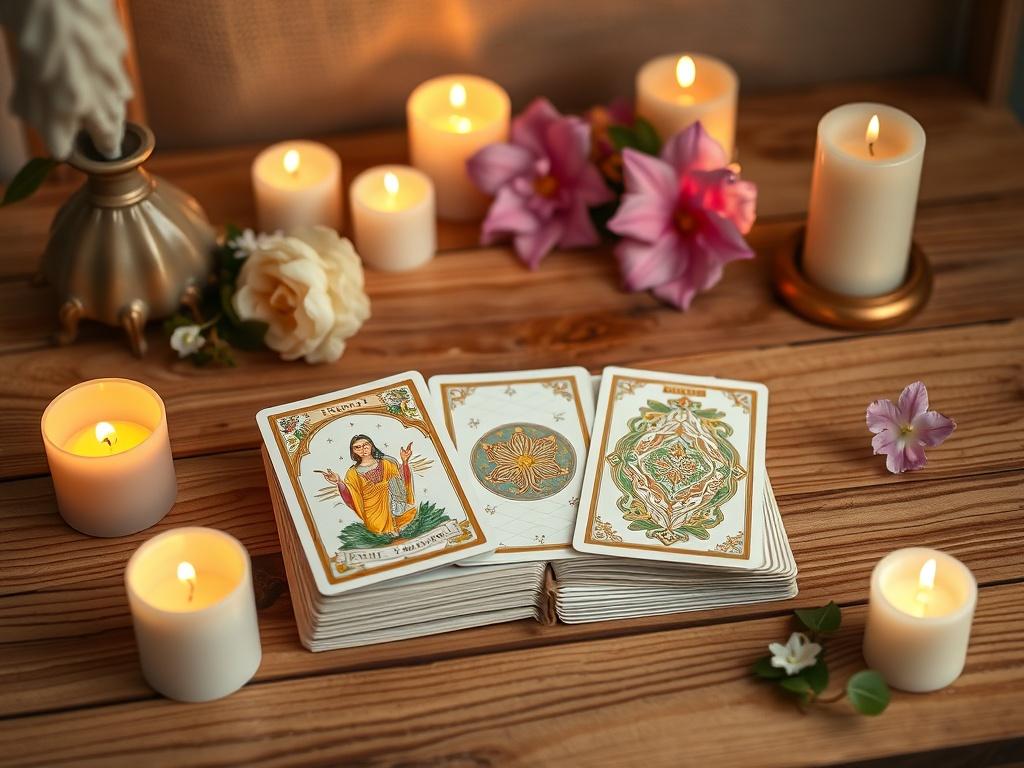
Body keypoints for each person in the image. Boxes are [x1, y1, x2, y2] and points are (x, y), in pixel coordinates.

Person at [317, 435, 416, 536]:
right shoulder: (352, 473)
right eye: (357, 447)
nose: (362, 449)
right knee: (380, 532)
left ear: (371, 445)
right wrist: (339, 482)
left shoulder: (386, 463)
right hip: (372, 513)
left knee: (409, 515)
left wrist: (404, 462)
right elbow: (351, 496)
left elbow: (400, 484)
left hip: (394, 506)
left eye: (365, 445)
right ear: (353, 451)